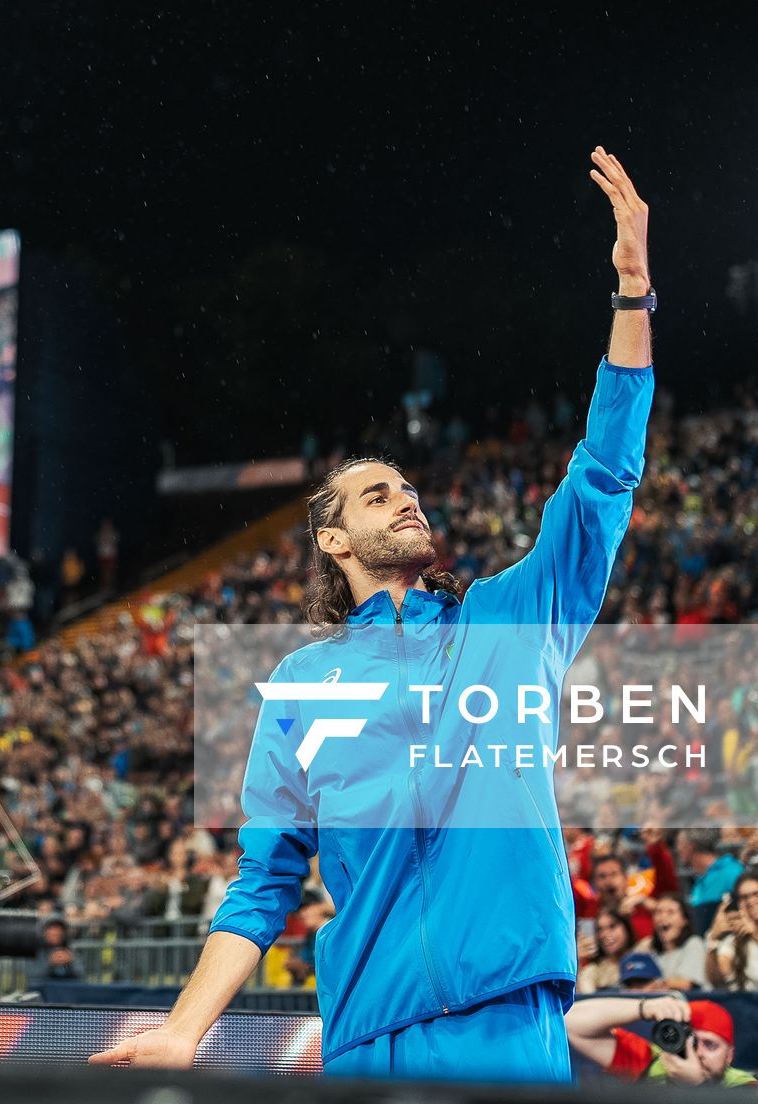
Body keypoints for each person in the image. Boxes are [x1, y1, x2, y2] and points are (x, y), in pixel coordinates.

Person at [90, 148, 656, 1084]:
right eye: (376, 495)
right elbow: (264, 884)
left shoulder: (508, 621)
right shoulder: (303, 688)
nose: (406, 501)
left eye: (408, 490)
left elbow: (602, 478)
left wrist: (632, 292)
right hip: (367, 1041)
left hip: (502, 1023)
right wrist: (184, 1032)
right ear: (332, 540)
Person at [566, 992, 758, 1087]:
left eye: (710, 1045)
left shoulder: (743, 1085)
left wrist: (698, 1086)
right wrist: (643, 1008)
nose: (697, 1053)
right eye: (690, 1040)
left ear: (729, 1055)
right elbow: (570, 1022)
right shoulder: (655, 1062)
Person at [631, 895, 709, 991]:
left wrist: (649, 986)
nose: (662, 917)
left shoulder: (694, 943)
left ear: (684, 920)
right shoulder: (651, 951)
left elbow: (685, 983)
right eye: (658, 912)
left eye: (670, 912)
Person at [678, 832, 743, 934]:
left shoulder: (731, 871)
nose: (678, 849)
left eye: (680, 844)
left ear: (690, 847)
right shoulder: (699, 881)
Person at [578, 908, 639, 993]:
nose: (605, 934)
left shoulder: (644, 956)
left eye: (612, 926)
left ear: (626, 927)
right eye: (600, 929)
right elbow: (587, 998)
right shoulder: (593, 971)